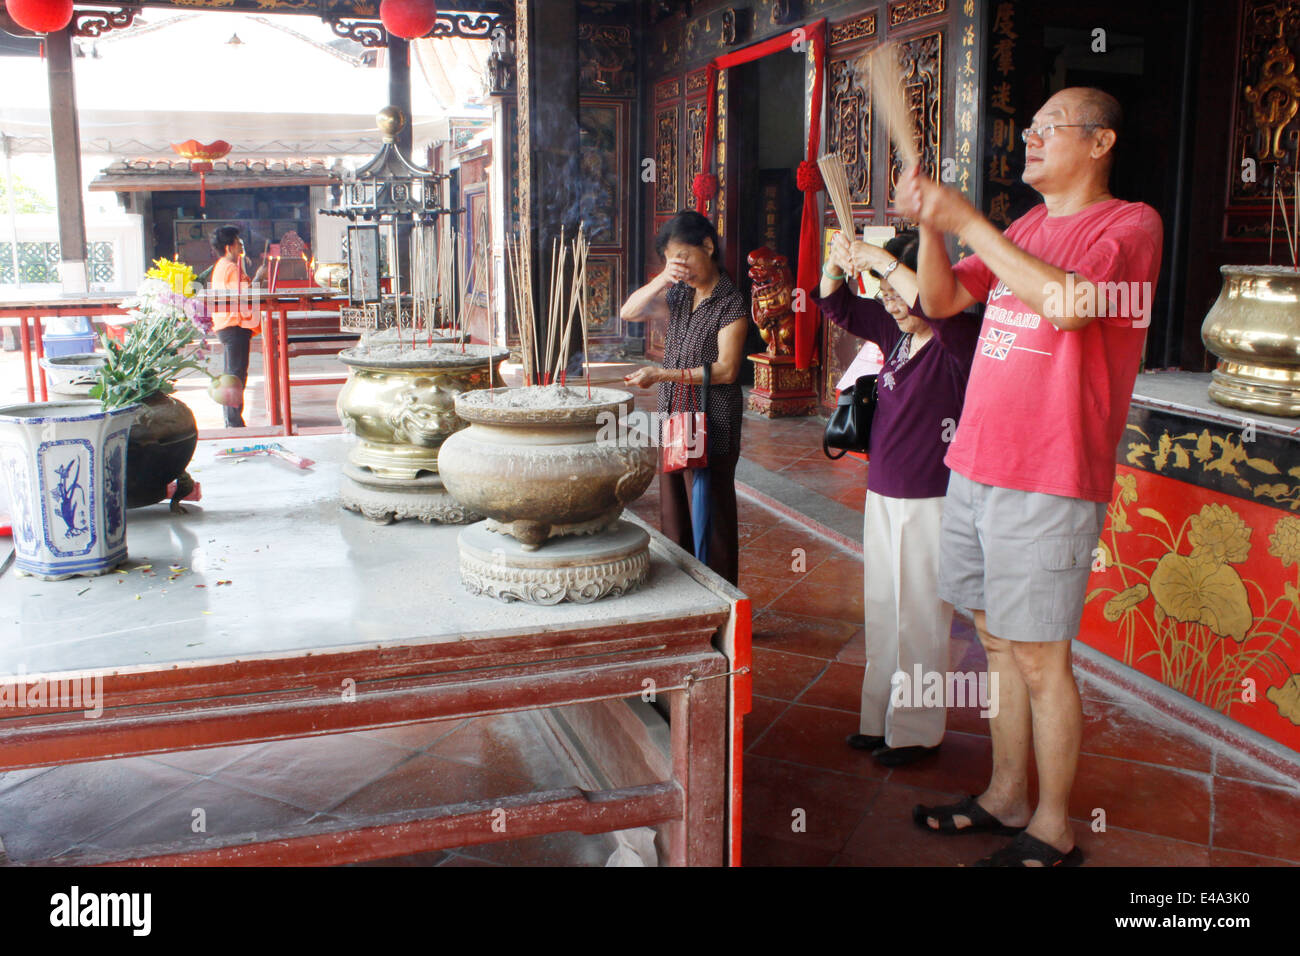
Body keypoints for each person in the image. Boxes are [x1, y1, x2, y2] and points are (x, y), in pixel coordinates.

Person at [897, 87, 1163, 866]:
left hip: (1050, 473)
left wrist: (966, 220)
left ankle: (1054, 824)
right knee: (995, 642)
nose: (1032, 141)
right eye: (1033, 130)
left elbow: (1072, 305)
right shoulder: (1026, 227)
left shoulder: (1129, 224)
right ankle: (1006, 794)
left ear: (1101, 142)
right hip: (977, 460)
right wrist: (928, 225)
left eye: (1049, 129)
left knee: (1042, 655)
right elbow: (942, 298)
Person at [813, 231, 980, 767]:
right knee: (884, 608)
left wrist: (883, 260)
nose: (890, 303)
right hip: (884, 490)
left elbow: (940, 307)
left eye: (898, 290)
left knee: (922, 617)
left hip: (931, 499)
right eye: (884, 291)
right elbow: (835, 304)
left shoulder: (957, 339)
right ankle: (877, 717)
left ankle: (916, 731)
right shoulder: (896, 331)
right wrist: (839, 263)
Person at [621, 210, 748, 585]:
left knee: (711, 519)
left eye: (683, 258)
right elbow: (629, 312)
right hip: (675, 418)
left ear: (707, 246)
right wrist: (663, 277)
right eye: (671, 261)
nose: (681, 268)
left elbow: (725, 370)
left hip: (711, 423)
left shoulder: (731, 304)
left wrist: (661, 373)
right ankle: (684, 594)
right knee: (675, 514)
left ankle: (720, 600)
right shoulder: (678, 294)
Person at [209, 226, 263, 428]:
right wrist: (258, 277)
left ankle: (231, 419)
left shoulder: (224, 265)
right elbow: (245, 294)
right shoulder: (230, 268)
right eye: (238, 241)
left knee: (233, 373)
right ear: (229, 246)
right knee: (235, 375)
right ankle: (233, 422)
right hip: (234, 324)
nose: (241, 244)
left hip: (230, 324)